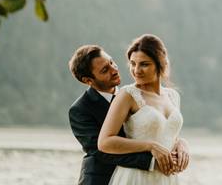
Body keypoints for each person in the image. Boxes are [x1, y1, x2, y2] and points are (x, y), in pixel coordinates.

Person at [68, 44, 188, 185]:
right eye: (105, 70)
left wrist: (180, 142)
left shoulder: (133, 93)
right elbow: (102, 152)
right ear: (88, 80)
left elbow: (153, 128)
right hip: (102, 179)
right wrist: (153, 162)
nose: (114, 70)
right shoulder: (80, 109)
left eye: (111, 62)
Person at [98, 34, 189, 185]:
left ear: (161, 64)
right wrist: (150, 146)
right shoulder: (127, 95)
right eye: (133, 64)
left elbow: (167, 134)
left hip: (167, 178)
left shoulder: (173, 96)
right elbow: (104, 142)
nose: (136, 70)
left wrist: (182, 144)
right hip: (136, 177)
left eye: (144, 64)